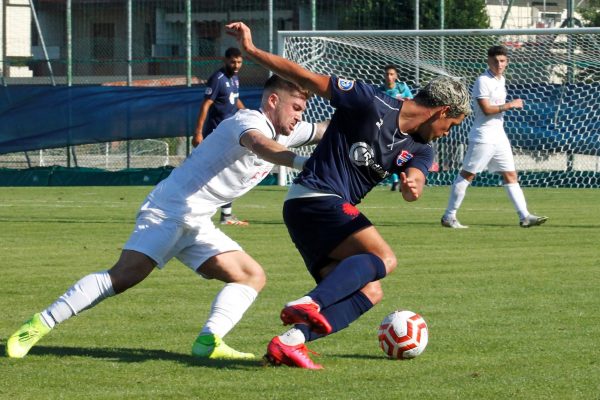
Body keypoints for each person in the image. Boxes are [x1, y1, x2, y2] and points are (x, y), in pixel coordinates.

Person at [6, 75, 328, 360]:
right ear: (274, 101)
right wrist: (303, 163)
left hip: (197, 220)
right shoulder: (248, 122)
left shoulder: (287, 131)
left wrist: (370, 117)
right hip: (169, 210)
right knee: (123, 277)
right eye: (297, 108)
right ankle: (38, 325)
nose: (300, 117)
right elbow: (262, 146)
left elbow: (324, 131)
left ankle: (209, 341)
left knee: (251, 275)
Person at [226, 21, 471, 369]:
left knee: (371, 291)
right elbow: (305, 76)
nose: (448, 133)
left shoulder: (420, 147)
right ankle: (310, 302)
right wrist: (251, 52)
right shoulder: (370, 102)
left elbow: (415, 179)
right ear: (443, 111)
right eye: (453, 125)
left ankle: (290, 342)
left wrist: (413, 186)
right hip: (317, 197)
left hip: (311, 214)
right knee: (384, 259)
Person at [441, 45, 548, 229]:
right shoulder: (483, 80)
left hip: (499, 136)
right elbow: (486, 109)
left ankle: (525, 216)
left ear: (507, 62)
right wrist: (510, 105)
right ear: (488, 61)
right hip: (483, 136)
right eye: (495, 61)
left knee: (510, 175)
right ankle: (449, 216)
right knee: (468, 175)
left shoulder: (501, 79)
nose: (499, 64)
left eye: (502, 61)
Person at [193, 47, 247, 226]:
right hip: (216, 133)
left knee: (228, 172)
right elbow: (205, 105)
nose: (236, 65)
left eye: (239, 62)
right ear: (225, 60)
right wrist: (198, 132)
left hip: (230, 133)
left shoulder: (235, 77)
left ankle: (226, 215)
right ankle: (207, 211)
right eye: (233, 61)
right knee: (212, 172)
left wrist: (247, 113)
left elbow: (234, 100)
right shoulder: (218, 79)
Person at [381, 64, 413, 191]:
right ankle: (395, 181)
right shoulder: (381, 91)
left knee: (403, 154)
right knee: (389, 155)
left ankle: (403, 179)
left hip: (402, 126)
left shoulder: (402, 87)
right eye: (387, 74)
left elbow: (411, 101)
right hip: (387, 128)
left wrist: (406, 100)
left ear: (396, 76)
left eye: (391, 74)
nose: (389, 76)